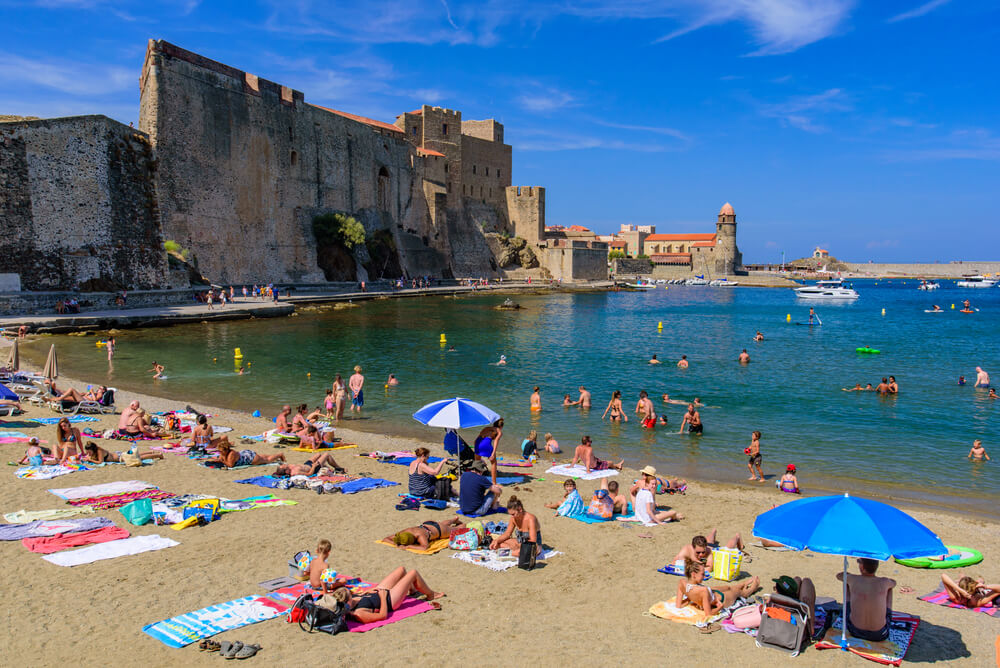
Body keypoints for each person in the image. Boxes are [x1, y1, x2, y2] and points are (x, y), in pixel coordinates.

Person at [337, 567, 443, 623]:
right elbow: (382, 616)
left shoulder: (350, 599)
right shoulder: (359, 614)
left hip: (379, 592)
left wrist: (366, 592)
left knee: (401, 570)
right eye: (350, 595)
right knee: (413, 573)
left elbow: (356, 595)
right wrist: (383, 598)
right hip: (389, 600)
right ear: (347, 601)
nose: (351, 594)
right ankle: (431, 594)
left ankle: (413, 591)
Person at [837, 558, 896, 642]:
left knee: (846, 581)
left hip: (854, 631)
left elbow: (839, 575)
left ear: (862, 567)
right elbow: (894, 582)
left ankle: (848, 606)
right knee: (889, 588)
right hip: (879, 634)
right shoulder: (884, 581)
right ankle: (887, 611)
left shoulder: (853, 579)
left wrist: (848, 575)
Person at [676, 560, 759, 615]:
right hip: (722, 599)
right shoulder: (702, 590)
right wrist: (720, 607)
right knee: (740, 593)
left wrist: (690, 598)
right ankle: (753, 588)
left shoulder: (682, 583)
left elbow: (679, 605)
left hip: (712, 593)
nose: (704, 576)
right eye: (702, 574)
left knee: (728, 587)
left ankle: (743, 584)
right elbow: (709, 613)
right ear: (693, 574)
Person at [672, 532, 745, 571]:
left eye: (703, 552)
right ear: (693, 548)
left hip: (713, 548)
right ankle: (713, 532)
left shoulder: (708, 551)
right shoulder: (686, 550)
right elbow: (674, 563)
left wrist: (694, 566)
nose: (701, 555)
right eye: (698, 552)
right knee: (710, 541)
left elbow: (709, 568)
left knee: (727, 549)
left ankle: (737, 536)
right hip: (706, 547)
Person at [387, 518, 466, 550]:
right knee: (442, 524)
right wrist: (395, 543)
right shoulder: (403, 533)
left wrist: (408, 546)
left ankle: (462, 523)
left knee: (457, 530)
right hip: (428, 524)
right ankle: (453, 520)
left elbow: (425, 547)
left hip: (439, 530)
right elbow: (386, 539)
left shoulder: (420, 536)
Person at [207, 440, 285, 468]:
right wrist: (215, 460)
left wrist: (221, 461)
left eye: (221, 451)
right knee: (263, 457)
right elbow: (221, 459)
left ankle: (279, 455)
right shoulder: (224, 453)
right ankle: (277, 455)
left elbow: (230, 465)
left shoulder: (231, 454)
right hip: (245, 454)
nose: (220, 452)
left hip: (251, 459)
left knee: (267, 460)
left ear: (226, 450)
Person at [82, 442, 164, 463]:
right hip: (119, 454)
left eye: (89, 452)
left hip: (120, 457)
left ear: (93, 449)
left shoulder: (99, 451)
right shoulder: (97, 450)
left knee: (139, 458)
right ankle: (151, 452)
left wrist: (90, 460)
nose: (89, 453)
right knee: (136, 455)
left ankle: (158, 455)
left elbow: (100, 462)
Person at [275, 452, 344, 477]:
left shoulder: (289, 467)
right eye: (283, 466)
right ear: (286, 471)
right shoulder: (295, 473)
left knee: (318, 454)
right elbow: (309, 474)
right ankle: (338, 468)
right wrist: (314, 466)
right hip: (313, 469)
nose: (284, 465)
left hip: (307, 464)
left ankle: (325, 466)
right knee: (327, 455)